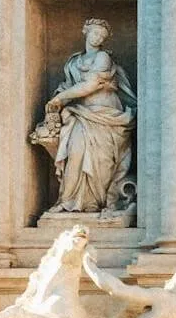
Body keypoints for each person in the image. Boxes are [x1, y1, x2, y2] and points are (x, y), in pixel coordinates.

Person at [42, 19, 136, 216]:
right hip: (82, 115)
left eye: (102, 36)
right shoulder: (74, 61)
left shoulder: (103, 57)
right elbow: (70, 85)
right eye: (95, 33)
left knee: (102, 161)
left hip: (106, 116)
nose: (98, 38)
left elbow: (90, 85)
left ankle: (96, 203)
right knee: (75, 153)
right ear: (86, 32)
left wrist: (61, 98)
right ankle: (68, 200)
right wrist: (60, 97)